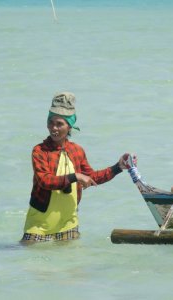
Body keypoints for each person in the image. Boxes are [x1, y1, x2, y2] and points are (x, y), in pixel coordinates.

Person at [21, 92, 135, 244]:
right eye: (51, 122)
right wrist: (75, 176)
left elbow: (91, 178)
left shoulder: (77, 150)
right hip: (39, 225)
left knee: (72, 266)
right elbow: (45, 181)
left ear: (69, 126)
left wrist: (118, 167)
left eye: (59, 124)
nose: (53, 128)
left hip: (69, 224)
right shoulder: (39, 151)